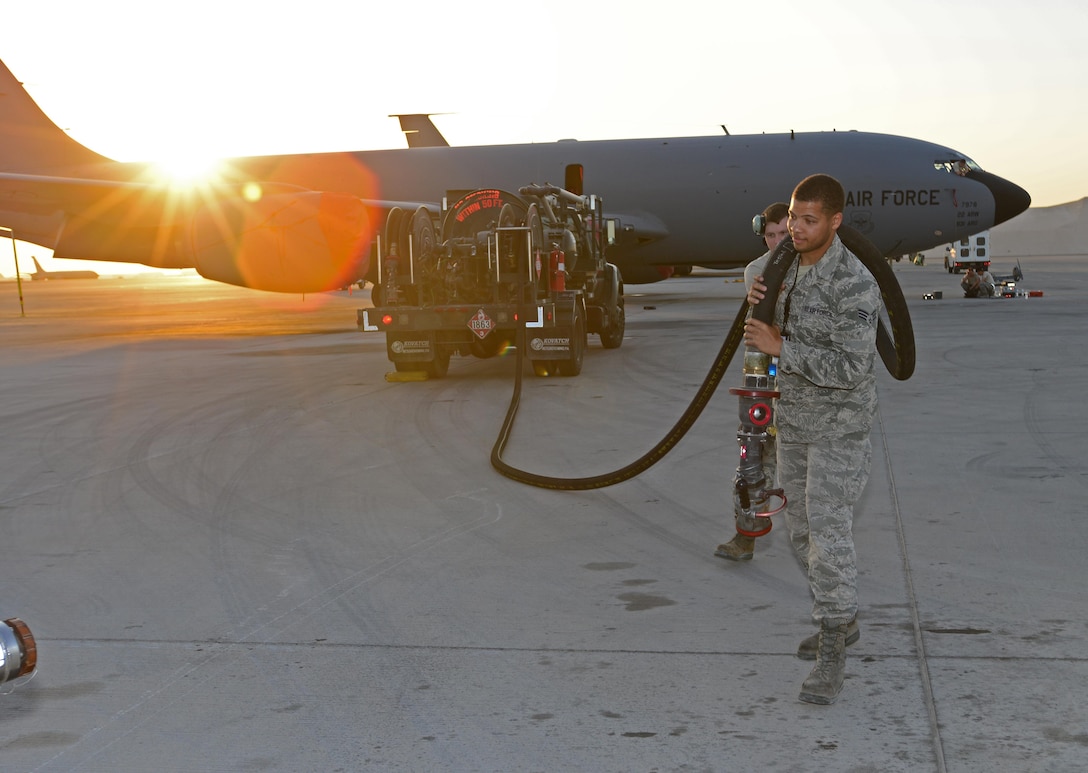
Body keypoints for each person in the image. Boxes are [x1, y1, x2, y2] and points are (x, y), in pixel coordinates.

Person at [744, 174, 881, 705]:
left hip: (840, 425)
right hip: (795, 423)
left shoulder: (854, 283)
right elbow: (757, 343)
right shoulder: (776, 272)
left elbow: (851, 367)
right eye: (793, 219)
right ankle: (841, 620)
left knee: (827, 533)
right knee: (800, 535)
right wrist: (756, 311)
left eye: (808, 221)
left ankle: (832, 655)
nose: (796, 230)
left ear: (834, 221)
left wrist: (782, 346)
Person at [715, 201, 789, 562]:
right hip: (768, 373)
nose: (777, 243)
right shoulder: (757, 271)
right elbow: (767, 326)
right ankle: (746, 535)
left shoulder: (816, 268)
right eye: (771, 236)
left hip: (808, 377)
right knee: (752, 455)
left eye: (783, 235)